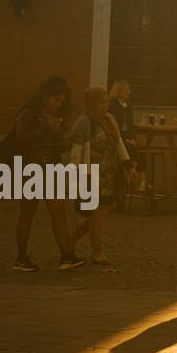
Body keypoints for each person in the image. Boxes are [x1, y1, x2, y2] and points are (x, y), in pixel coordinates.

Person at [11, 77, 85, 271]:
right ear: (45, 97)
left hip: (51, 167)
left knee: (58, 213)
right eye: (56, 100)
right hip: (31, 168)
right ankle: (21, 258)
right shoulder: (29, 114)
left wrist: (66, 141)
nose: (59, 105)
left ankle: (67, 256)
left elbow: (57, 143)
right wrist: (46, 127)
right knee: (27, 213)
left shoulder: (56, 116)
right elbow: (22, 138)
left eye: (61, 101)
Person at [69, 87, 133, 265]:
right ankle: (98, 250)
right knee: (97, 213)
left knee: (102, 212)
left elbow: (118, 141)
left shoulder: (110, 119)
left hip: (109, 173)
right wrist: (75, 174)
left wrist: (126, 162)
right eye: (100, 102)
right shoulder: (84, 122)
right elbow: (77, 150)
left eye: (106, 101)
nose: (104, 106)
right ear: (91, 104)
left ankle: (71, 238)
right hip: (92, 174)